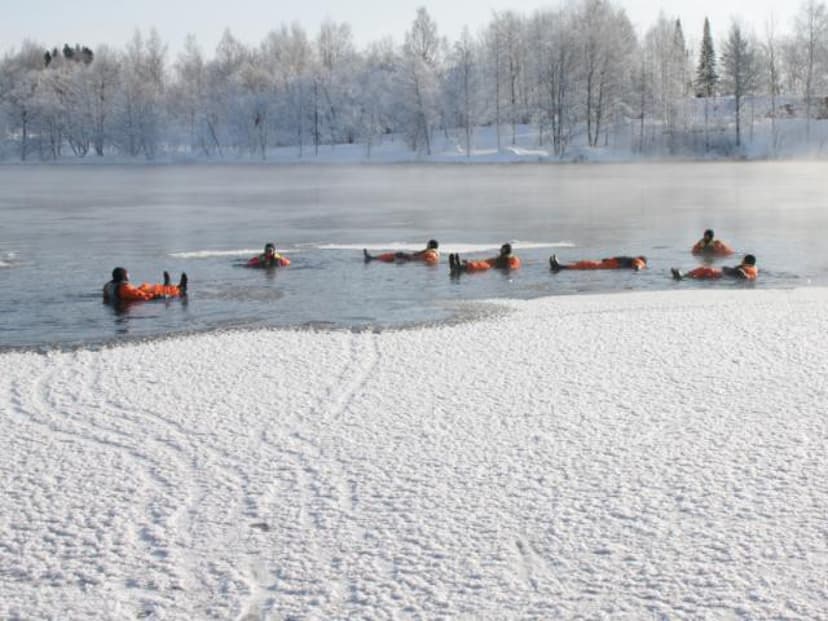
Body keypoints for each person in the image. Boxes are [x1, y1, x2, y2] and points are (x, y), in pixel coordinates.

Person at [103, 267, 187, 302]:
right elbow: (143, 297)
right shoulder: (125, 288)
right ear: (124, 276)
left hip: (126, 297)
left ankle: (166, 285)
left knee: (145, 286)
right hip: (131, 300)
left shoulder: (108, 285)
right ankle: (180, 288)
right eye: (127, 274)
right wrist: (158, 296)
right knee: (157, 292)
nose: (129, 275)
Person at [671, 254, 758, 280]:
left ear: (746, 261)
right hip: (725, 275)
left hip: (725, 277)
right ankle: (685, 275)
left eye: (743, 260)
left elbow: (747, 276)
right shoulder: (750, 267)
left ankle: (683, 276)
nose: (741, 261)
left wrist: (740, 272)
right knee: (705, 270)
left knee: (705, 270)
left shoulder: (751, 269)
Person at [449, 243, 521, 273]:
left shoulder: (513, 258)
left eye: (502, 249)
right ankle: (458, 266)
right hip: (490, 266)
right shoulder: (500, 258)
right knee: (476, 264)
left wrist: (505, 267)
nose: (500, 250)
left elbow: (514, 267)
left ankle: (457, 267)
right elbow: (487, 260)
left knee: (477, 266)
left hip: (491, 267)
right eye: (501, 249)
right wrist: (470, 261)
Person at [363, 239, 440, 264]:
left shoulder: (431, 252)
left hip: (412, 259)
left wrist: (408, 257)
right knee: (395, 256)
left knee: (394, 256)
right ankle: (373, 258)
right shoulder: (433, 252)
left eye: (428, 244)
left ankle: (373, 258)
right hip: (412, 259)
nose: (426, 245)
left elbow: (424, 259)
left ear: (430, 245)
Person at [549, 254, 647, 272]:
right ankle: (560, 265)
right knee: (584, 264)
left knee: (585, 265)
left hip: (610, 266)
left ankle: (558, 267)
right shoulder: (635, 260)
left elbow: (638, 266)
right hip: (608, 264)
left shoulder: (640, 261)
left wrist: (637, 268)